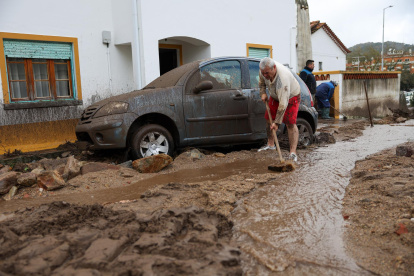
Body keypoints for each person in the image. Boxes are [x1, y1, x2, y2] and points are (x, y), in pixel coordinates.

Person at [257, 57, 301, 162]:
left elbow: (283, 104)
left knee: (290, 123)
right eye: (263, 73)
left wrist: (277, 123)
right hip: (275, 95)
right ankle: (271, 145)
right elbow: (261, 83)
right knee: (268, 119)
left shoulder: (282, 79)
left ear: (274, 68)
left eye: (267, 73)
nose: (265, 75)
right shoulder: (263, 70)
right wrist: (263, 93)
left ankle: (293, 153)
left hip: (291, 97)